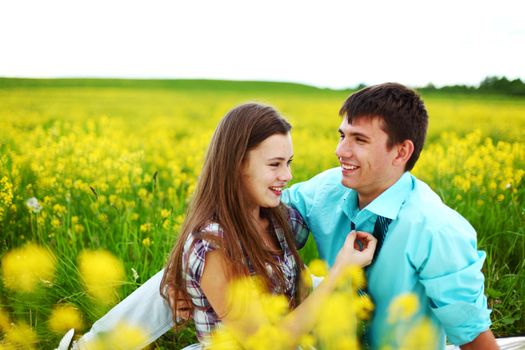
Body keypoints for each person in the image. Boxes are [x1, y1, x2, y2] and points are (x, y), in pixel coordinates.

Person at [65, 83, 498, 349]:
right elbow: (240, 221)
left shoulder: (436, 230)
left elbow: (473, 337)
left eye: (359, 140)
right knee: (189, 263)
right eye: (341, 135)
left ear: (401, 152)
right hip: (305, 337)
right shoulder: (329, 190)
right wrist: (189, 279)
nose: (340, 152)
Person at [66, 103, 377, 349]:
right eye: (274, 164)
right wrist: (340, 272)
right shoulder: (213, 246)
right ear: (237, 163)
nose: (287, 175)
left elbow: (320, 199)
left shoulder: (277, 217)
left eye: (289, 162)